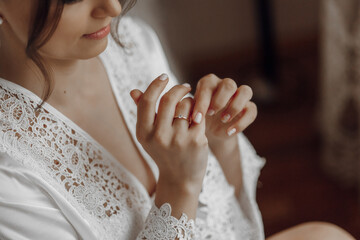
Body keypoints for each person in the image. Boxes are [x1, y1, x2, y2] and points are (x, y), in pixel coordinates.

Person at [0, 0, 355, 239]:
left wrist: (218, 140)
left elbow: (227, 219)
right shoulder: (9, 174)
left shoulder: (134, 44)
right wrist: (178, 186)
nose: (112, 6)